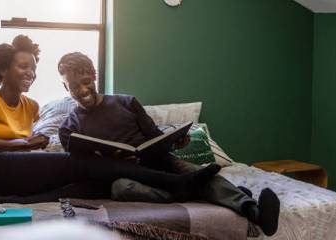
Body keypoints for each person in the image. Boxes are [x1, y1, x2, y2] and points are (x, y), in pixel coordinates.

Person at [0, 35, 222, 205]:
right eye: (23, 66)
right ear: (3, 69)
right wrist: (26, 144)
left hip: (12, 176)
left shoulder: (31, 106)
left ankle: (12, 201)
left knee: (92, 183)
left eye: (33, 68)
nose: (30, 73)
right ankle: (175, 183)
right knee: (80, 163)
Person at [56, 52, 280, 235]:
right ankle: (196, 191)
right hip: (122, 177)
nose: (83, 91)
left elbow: (154, 136)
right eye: (74, 87)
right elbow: (83, 168)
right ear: (66, 89)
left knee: (199, 172)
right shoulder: (68, 128)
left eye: (86, 82)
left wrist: (174, 143)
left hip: (157, 161)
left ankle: (253, 210)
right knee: (121, 188)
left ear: (94, 76)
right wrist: (111, 161)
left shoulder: (126, 102)